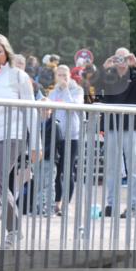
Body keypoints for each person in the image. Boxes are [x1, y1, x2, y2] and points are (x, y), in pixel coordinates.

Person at [0, 34, 36, 251]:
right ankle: (15, 230)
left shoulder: (18, 76)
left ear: (6, 52)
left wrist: (36, 144)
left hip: (12, 135)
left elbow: (31, 110)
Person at [99, 47, 136, 218]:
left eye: (124, 58)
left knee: (133, 168)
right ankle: (111, 204)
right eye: (118, 58)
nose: (121, 61)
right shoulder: (109, 75)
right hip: (112, 126)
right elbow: (96, 89)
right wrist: (104, 68)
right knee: (111, 167)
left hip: (131, 126)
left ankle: (133, 206)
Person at [48, 64, 84, 216]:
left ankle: (66, 204)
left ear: (70, 76)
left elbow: (75, 107)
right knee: (56, 171)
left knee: (67, 171)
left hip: (71, 136)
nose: (62, 78)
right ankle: (57, 202)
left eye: (65, 75)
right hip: (56, 136)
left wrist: (66, 90)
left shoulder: (77, 90)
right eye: (59, 75)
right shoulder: (53, 92)